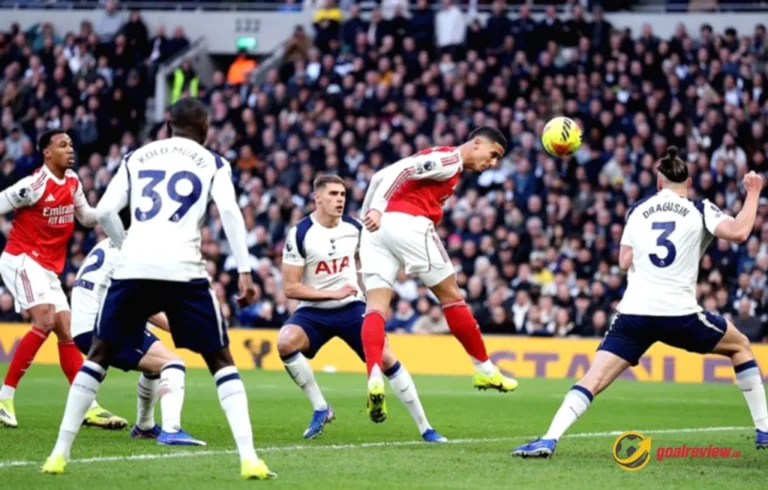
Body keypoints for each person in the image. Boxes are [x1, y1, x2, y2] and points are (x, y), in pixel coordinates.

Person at [42, 99, 276, 480]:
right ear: (205, 129)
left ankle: (58, 454)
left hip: (134, 266)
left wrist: (124, 244)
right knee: (220, 360)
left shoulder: (136, 156)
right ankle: (249, 458)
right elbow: (230, 213)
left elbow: (102, 212)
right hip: (184, 267)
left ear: (168, 124)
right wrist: (246, 272)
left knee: (97, 356)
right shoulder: (213, 161)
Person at [512, 147, 768, 458]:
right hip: (678, 313)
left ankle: (549, 439)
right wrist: (753, 192)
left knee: (593, 378)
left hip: (634, 313)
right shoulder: (700, 209)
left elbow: (623, 261)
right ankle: (764, 431)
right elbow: (740, 232)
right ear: (687, 181)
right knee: (740, 345)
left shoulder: (637, 210)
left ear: (658, 184)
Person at [358, 126, 518, 421]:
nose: (493, 163)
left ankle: (374, 375)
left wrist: (366, 219)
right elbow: (405, 168)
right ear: (477, 143)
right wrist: (378, 209)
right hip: (407, 224)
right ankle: (485, 370)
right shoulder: (449, 160)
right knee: (451, 297)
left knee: (375, 306)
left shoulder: (441, 161)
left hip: (376, 233)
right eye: (493, 155)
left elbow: (381, 175)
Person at [279, 174, 446, 442]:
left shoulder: (355, 228)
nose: (339, 200)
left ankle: (426, 428)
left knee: (387, 356)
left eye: (343, 195)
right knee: (285, 343)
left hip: (351, 307)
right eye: (333, 194)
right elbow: (290, 288)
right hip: (313, 310)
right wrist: (332, 292)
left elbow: (373, 256)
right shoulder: (300, 233)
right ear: (317, 198)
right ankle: (321, 408)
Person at [0, 129, 126, 430]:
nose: (70, 150)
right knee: (44, 321)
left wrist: (110, 209)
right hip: (22, 259)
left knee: (66, 331)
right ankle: (4, 399)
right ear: (47, 152)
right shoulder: (33, 185)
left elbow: (86, 218)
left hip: (47, 267)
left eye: (70, 145)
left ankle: (88, 406)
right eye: (62, 145)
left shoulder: (72, 182)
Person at [71, 230, 204, 446]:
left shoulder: (114, 242)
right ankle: (172, 430)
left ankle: (145, 426)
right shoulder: (137, 249)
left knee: (154, 366)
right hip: (101, 325)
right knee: (172, 363)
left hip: (85, 323)